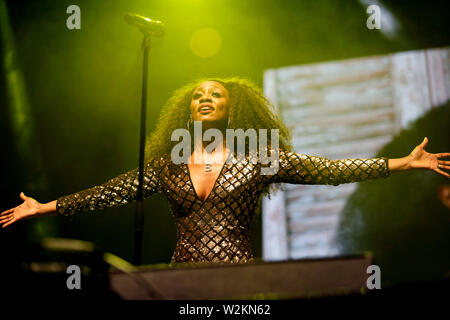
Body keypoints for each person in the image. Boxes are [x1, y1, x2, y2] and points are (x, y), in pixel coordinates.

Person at [1, 78, 449, 264]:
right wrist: (46, 207)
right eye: (198, 94)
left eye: (215, 93)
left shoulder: (258, 158)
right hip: (180, 276)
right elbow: (112, 192)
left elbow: (328, 168)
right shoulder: (167, 166)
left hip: (239, 276)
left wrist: (403, 163)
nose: (205, 97)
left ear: (234, 106)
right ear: (188, 109)